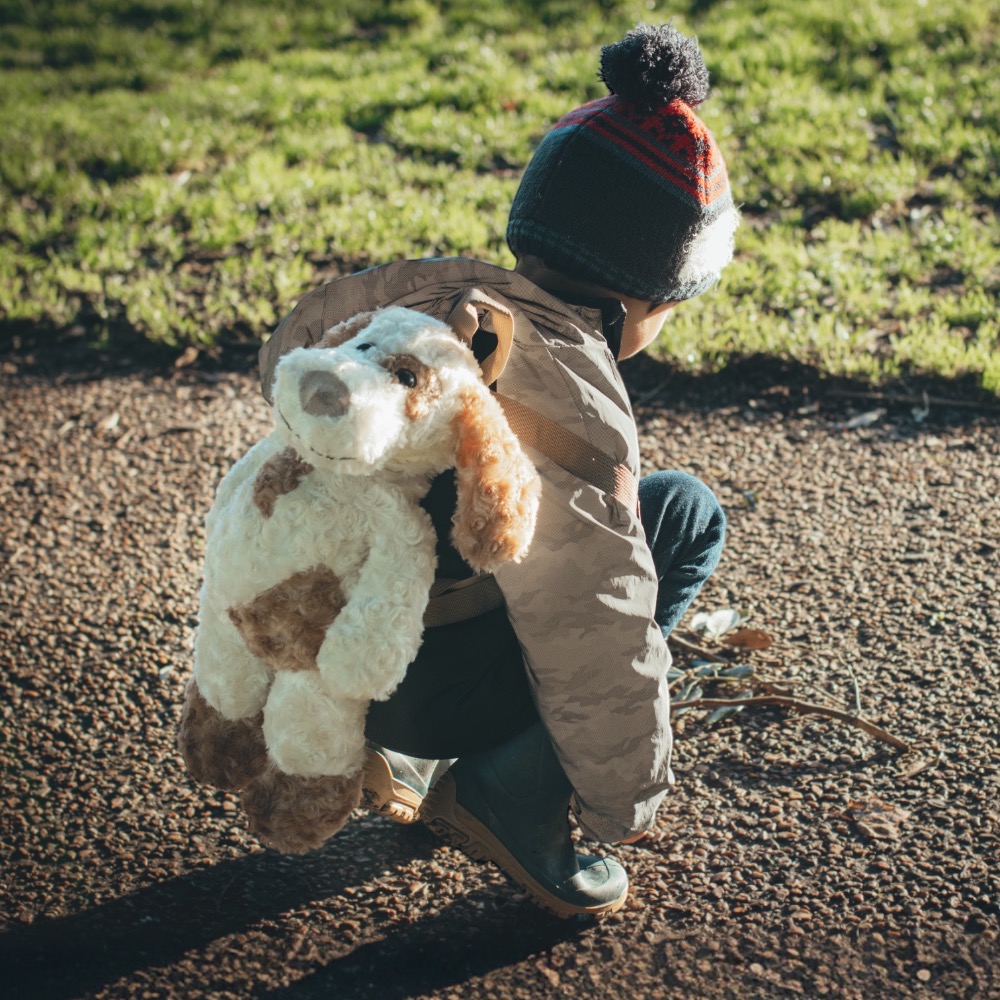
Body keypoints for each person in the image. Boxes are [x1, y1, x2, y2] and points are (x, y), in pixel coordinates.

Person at [257, 23, 739, 917]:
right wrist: (622, 801)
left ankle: (380, 749)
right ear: (638, 297)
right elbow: (595, 629)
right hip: (430, 693)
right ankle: (512, 790)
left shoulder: (416, 318)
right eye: (672, 304)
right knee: (681, 514)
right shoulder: (573, 408)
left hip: (330, 662)